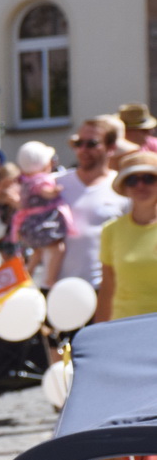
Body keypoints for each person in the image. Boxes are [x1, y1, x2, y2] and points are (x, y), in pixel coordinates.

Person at [56, 117, 130, 287]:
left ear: (111, 148)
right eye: (79, 143)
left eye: (92, 144)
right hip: (61, 290)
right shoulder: (56, 184)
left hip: (105, 289)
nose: (83, 149)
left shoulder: (123, 187)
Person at [94, 151, 157, 322]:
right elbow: (107, 287)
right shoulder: (111, 230)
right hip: (125, 327)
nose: (140, 185)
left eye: (149, 178)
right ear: (125, 188)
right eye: (132, 180)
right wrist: (100, 333)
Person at [10, 140, 71, 287]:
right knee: (58, 248)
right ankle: (50, 277)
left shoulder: (25, 181)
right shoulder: (41, 180)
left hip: (29, 226)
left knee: (37, 252)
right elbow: (45, 191)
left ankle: (27, 274)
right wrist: (55, 191)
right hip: (43, 226)